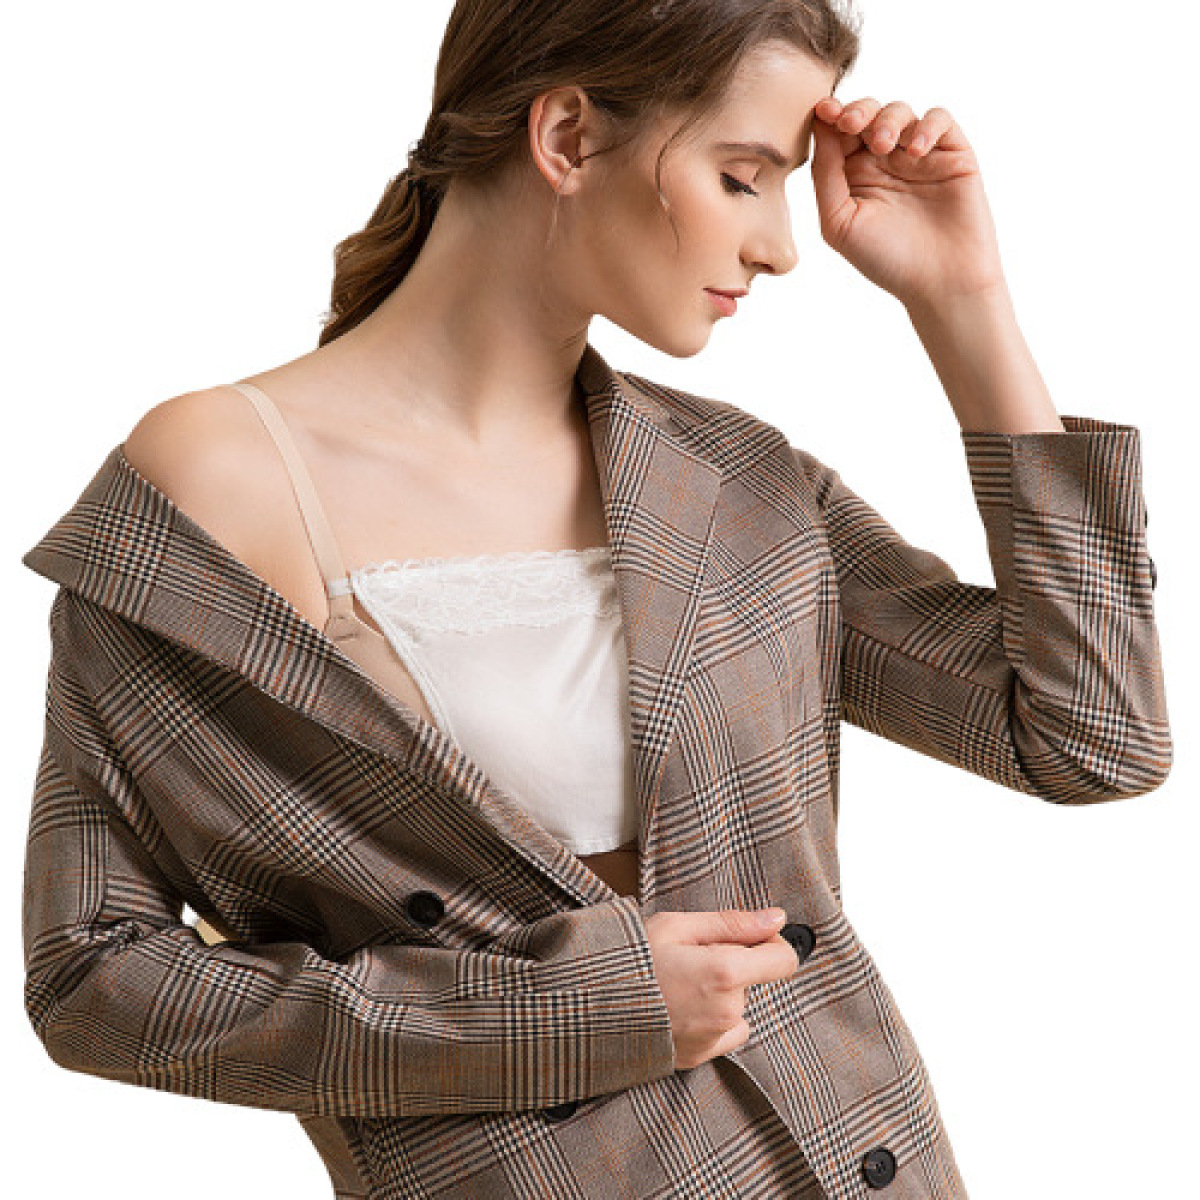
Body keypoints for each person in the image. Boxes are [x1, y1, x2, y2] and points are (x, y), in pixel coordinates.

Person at [19, 1, 1171, 1197]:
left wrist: (965, 304)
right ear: (567, 136)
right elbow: (94, 978)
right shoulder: (222, 481)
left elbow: (1093, 736)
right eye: (743, 178)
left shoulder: (733, 481)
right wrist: (569, 1012)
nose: (782, 246)